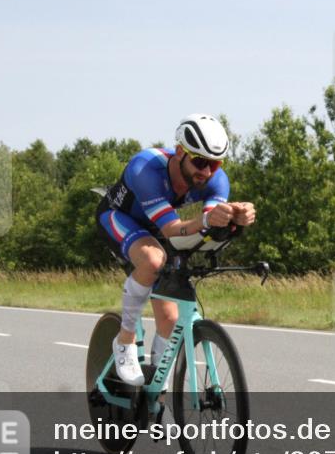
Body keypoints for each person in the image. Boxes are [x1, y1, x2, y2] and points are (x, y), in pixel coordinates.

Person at [95, 114, 256, 386]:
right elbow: (172, 229)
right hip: (119, 218)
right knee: (152, 259)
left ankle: (156, 396)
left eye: (215, 164)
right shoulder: (145, 168)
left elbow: (206, 231)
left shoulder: (216, 181)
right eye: (200, 162)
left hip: (158, 228)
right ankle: (124, 341)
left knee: (170, 319)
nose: (206, 172)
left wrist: (234, 222)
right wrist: (206, 219)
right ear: (180, 151)